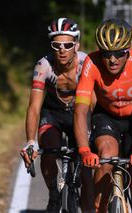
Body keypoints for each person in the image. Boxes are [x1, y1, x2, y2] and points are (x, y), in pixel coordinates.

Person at [74, 18, 132, 212]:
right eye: (106, 54)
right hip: (107, 117)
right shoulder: (92, 62)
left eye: (119, 54)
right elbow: (81, 109)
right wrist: (84, 150)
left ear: (128, 51)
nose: (112, 60)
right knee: (106, 156)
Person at [19, 17, 94, 212]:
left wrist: (93, 130)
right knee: (48, 151)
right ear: (51, 46)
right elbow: (34, 106)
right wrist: (30, 141)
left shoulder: (86, 63)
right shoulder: (43, 66)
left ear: (76, 45)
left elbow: (95, 101)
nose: (62, 49)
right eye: (56, 44)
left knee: (86, 173)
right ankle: (54, 193)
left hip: (80, 111)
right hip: (52, 113)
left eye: (67, 45)